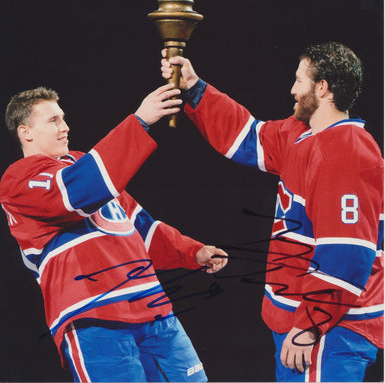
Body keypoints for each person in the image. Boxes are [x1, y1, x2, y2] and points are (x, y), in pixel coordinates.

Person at [161, 42, 384, 382]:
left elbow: (347, 254)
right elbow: (245, 135)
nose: (293, 90)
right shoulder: (303, 135)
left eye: (300, 81)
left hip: (330, 331)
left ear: (322, 88)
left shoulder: (346, 154)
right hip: (302, 319)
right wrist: (194, 86)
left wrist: (308, 327)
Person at [0, 83, 228, 383]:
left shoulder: (88, 166)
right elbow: (76, 193)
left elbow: (140, 226)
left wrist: (192, 251)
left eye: (64, 118)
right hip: (94, 319)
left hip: (154, 309)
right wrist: (139, 122)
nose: (65, 127)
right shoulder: (18, 180)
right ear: (25, 132)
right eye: (53, 121)